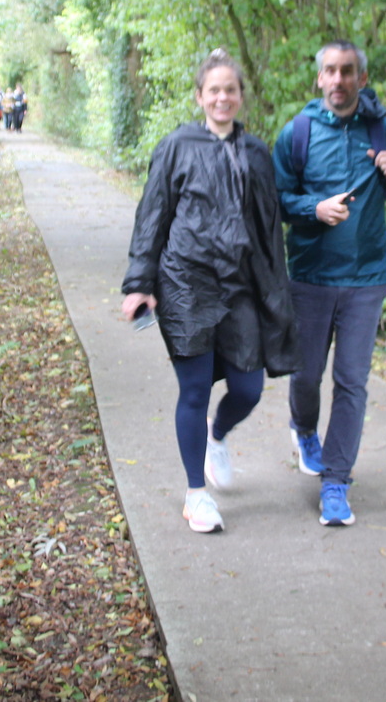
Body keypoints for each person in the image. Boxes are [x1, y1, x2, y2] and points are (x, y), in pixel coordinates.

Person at [122, 49, 297, 533]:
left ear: (240, 96)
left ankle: (216, 436)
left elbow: (270, 221)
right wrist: (139, 283)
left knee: (248, 388)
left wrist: (275, 287)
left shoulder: (256, 152)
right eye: (214, 90)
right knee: (195, 388)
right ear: (200, 96)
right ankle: (196, 495)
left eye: (230, 89)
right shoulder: (176, 146)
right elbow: (153, 214)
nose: (223, 97)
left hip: (240, 286)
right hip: (185, 282)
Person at [273, 39, 386, 526]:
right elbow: (275, 198)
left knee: (352, 382)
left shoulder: (381, 128)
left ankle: (336, 483)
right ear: (320, 78)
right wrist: (313, 208)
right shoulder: (297, 132)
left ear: (362, 78)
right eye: (331, 71)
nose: (339, 79)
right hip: (310, 275)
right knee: (306, 374)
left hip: (366, 277)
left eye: (348, 71)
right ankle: (303, 429)